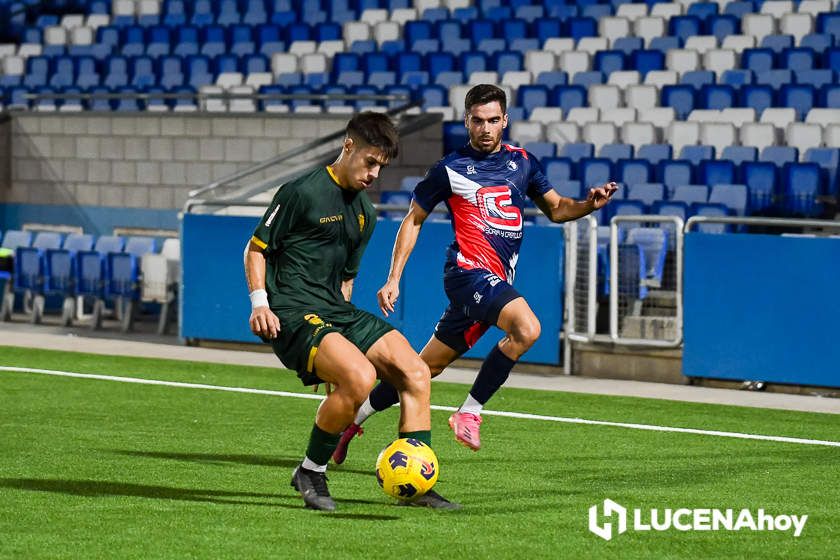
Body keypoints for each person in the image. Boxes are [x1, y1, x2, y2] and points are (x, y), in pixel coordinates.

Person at [331, 85, 617, 463]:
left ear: (505, 121)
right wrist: (394, 277)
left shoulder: (524, 163)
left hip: (494, 283)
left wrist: (588, 205)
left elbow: (558, 209)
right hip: (467, 274)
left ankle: (352, 422)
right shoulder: (449, 169)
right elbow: (413, 219)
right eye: (478, 120)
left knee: (422, 368)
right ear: (467, 120)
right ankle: (470, 411)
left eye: (493, 120)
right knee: (527, 329)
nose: (485, 128)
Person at [244, 112, 457, 511]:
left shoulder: (365, 213)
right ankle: (310, 471)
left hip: (335, 312)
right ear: (348, 147)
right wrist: (260, 303)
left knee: (415, 372)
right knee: (360, 377)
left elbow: (346, 279)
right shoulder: (300, 192)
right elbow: (256, 248)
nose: (375, 173)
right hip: (290, 311)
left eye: (382, 166)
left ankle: (417, 483)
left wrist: (337, 342)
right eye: (370, 162)